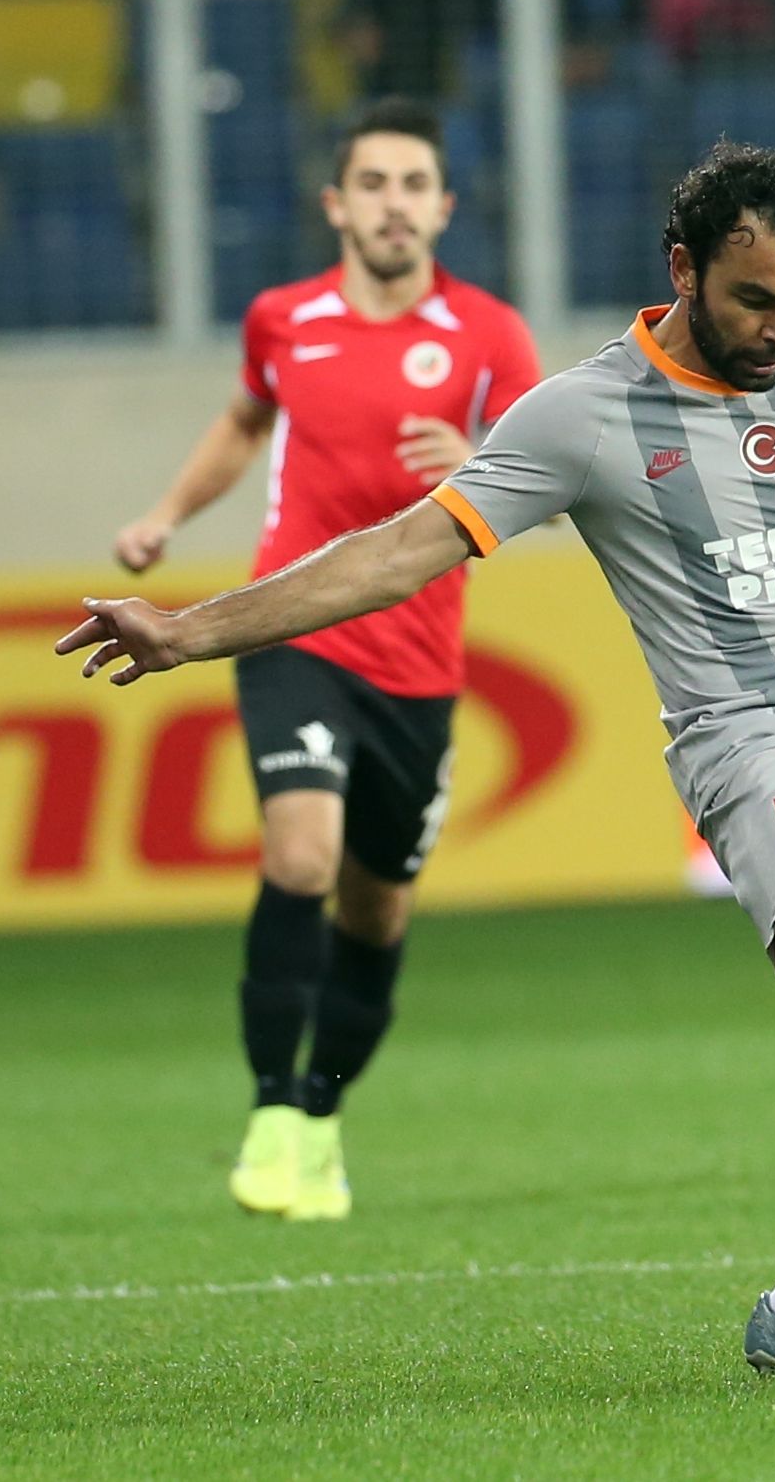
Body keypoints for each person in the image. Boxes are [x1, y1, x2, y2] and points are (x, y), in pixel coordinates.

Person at [62, 141, 775, 1377]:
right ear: (684, 270)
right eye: (757, 299)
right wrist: (186, 630)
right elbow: (398, 551)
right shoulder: (585, 416)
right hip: (751, 744)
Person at [107, 97, 541, 1223]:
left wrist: (477, 458)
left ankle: (319, 1114)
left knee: (375, 913)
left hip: (419, 661)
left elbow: (550, 467)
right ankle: (267, 1116)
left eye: (414, 186)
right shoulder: (282, 319)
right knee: (301, 856)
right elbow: (248, 424)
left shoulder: (490, 333)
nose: (393, 205)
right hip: (290, 631)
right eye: (374, 183)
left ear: (442, 207)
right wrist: (165, 515)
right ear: (337, 203)